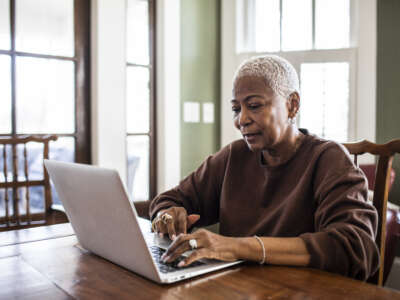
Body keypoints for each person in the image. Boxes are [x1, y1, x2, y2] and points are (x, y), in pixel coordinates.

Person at [149, 55, 379, 280]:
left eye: (254, 106)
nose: (242, 120)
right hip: (241, 288)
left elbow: (355, 248)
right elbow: (170, 199)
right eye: (236, 109)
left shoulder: (328, 159)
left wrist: (237, 247)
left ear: (292, 105)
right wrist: (167, 214)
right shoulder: (234, 156)